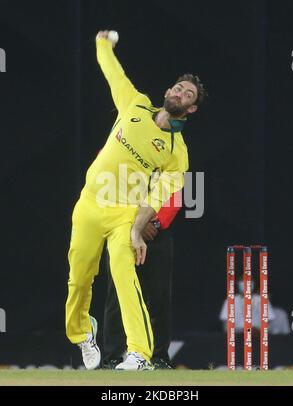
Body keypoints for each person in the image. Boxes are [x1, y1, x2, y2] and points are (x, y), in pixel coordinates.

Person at [65, 29, 206, 371]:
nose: (180, 92)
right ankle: (83, 333)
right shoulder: (136, 103)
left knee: (124, 272)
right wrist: (102, 44)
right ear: (168, 91)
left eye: (188, 94)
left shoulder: (177, 152)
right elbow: (113, 72)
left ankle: (139, 353)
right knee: (79, 279)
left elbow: (157, 197)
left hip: (124, 213)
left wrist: (135, 231)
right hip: (89, 204)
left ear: (191, 108)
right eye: (179, 87)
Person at [101, 190, 182, 370]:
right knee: (117, 296)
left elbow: (175, 193)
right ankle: (113, 357)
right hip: (122, 234)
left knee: (159, 296)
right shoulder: (116, 162)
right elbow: (109, 193)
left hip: (157, 234)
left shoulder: (166, 163)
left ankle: (159, 357)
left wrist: (155, 223)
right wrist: (136, 224)